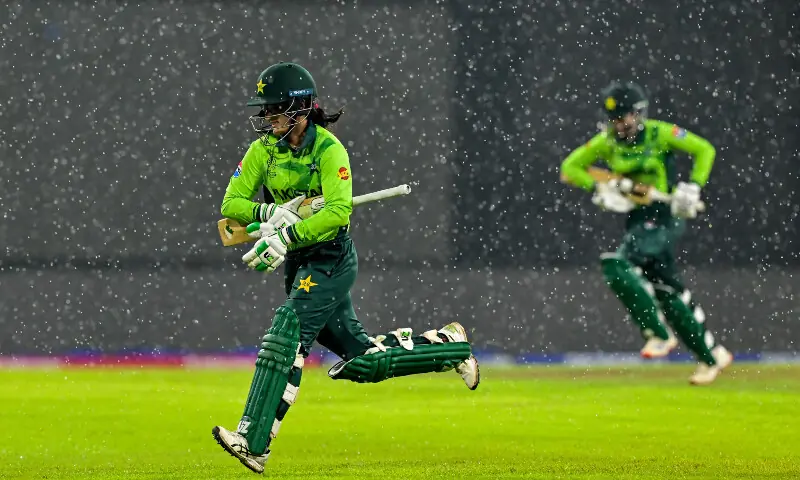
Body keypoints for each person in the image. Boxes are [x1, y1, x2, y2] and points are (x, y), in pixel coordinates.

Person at [211, 61, 480, 474]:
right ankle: (449, 346)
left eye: (275, 109)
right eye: (266, 110)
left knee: (287, 330)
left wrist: (287, 234)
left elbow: (337, 213)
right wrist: (271, 212)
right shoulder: (263, 150)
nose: (267, 117)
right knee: (364, 361)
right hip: (298, 263)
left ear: (300, 109)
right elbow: (231, 204)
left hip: (331, 259)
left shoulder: (329, 150)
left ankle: (254, 440)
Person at [559, 81, 733, 385]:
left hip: (664, 215)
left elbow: (704, 150)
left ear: (638, 114)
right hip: (638, 219)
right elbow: (570, 167)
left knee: (617, 265)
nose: (618, 124)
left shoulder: (659, 133)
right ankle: (711, 356)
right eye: (614, 119)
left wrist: (694, 185)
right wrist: (600, 188)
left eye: (624, 117)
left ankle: (658, 333)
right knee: (668, 292)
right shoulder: (607, 143)